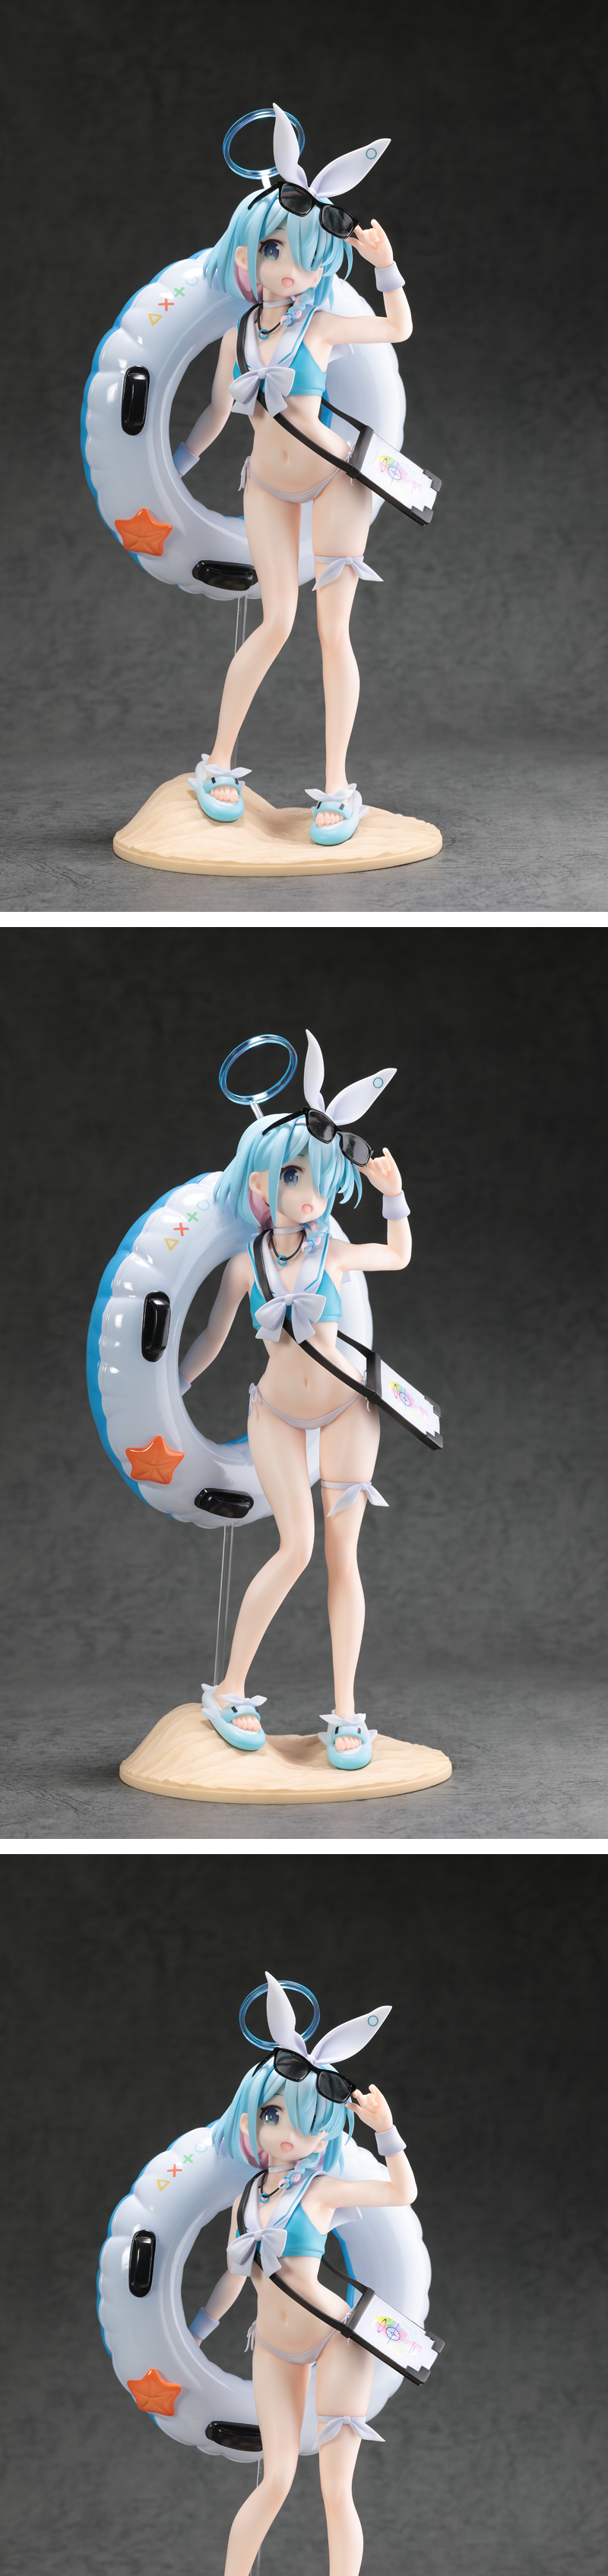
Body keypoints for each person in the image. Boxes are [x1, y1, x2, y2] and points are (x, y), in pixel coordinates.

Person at [175, 103, 412, 844]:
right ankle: (216, 762)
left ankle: (338, 787)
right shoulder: (241, 332)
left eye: (307, 256)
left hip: (335, 478)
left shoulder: (323, 324)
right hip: (266, 486)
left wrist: (383, 265)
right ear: (248, 249)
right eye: (275, 248)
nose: (290, 269)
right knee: (275, 621)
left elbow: (398, 328)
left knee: (332, 631)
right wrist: (178, 463)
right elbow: (218, 412)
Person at [179, 1029, 411, 1768]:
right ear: (259, 1182)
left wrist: (392, 1195)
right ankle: (228, 1689)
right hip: (274, 1415)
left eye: (320, 1179)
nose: (309, 1194)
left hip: (348, 1411)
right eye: (290, 1175)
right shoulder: (244, 1266)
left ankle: (346, 1713)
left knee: (343, 1558)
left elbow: (397, 1254)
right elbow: (212, 1338)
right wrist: (174, 1386)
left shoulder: (333, 1251)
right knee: (295, 1547)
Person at [192, 1971, 416, 2576]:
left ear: (326, 2130)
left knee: (334, 2489)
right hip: (273, 2346)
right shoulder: (246, 2197)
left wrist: (384, 2128)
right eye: (272, 2115)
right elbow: (235, 2278)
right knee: (276, 2478)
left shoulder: (320, 2190)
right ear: (252, 2116)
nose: (286, 2133)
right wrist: (199, 2329)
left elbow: (401, 2193)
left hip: (336, 2339)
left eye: (306, 2121)